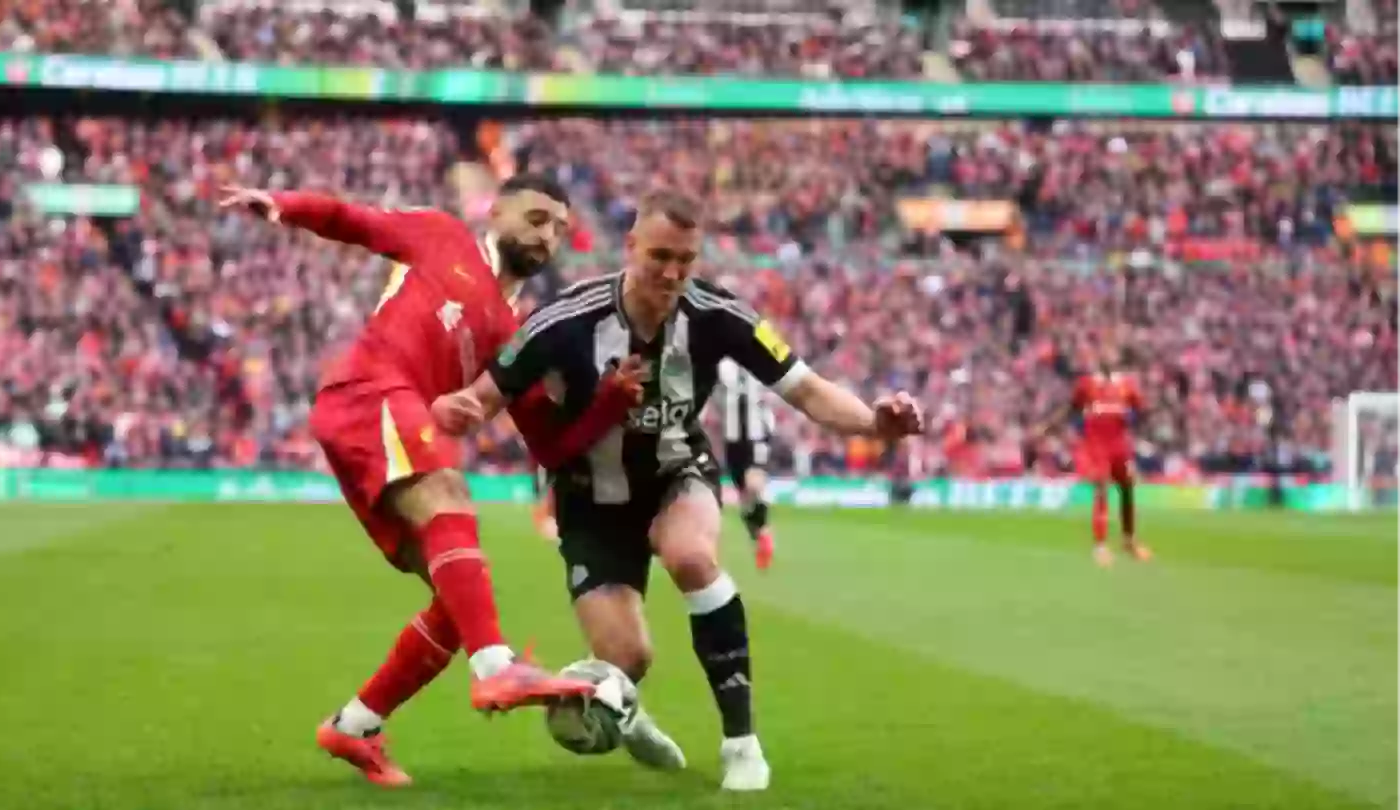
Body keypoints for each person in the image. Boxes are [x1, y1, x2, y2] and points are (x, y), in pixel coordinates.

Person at [432, 189, 925, 791]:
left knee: (691, 556)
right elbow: (484, 396)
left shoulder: (719, 315)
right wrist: (458, 408)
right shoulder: (565, 319)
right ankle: (627, 711)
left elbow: (808, 390)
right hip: (590, 501)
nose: (671, 273)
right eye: (660, 256)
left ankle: (741, 743)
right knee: (626, 661)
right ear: (631, 246)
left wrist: (874, 422)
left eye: (685, 260)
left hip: (677, 473)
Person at [217, 175, 641, 787]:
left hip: (389, 424)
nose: (546, 236)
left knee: (455, 604)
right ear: (496, 211)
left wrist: (609, 404)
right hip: (370, 391)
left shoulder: (516, 334)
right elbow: (354, 221)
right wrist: (283, 205)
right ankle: (494, 666)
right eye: (536, 218)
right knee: (449, 493)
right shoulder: (442, 235)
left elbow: (549, 442)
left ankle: (356, 724)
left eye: (558, 228)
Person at [1043, 343, 1154, 567]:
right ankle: (1100, 546)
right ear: (1099, 360)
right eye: (1104, 354)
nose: (1108, 358)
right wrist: (1049, 425)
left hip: (1120, 445)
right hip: (1096, 446)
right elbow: (1071, 407)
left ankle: (1129, 540)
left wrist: (1138, 423)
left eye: (1111, 354)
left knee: (1127, 487)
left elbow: (1142, 409)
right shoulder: (1087, 384)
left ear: (1117, 359)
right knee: (1102, 488)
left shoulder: (1126, 385)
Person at [716, 358, 777, 569]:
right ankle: (760, 535)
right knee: (744, 496)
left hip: (757, 435)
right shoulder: (721, 365)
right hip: (732, 441)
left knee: (753, 484)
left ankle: (765, 534)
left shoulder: (758, 360)